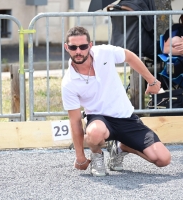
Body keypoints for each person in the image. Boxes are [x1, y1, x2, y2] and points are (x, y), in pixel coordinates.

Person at [61, 26, 171, 177]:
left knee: (163, 159)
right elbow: (75, 121)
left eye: (83, 46)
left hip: (126, 117)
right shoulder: (68, 82)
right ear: (66, 47)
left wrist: (152, 81)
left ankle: (121, 147)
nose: (78, 51)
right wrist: (80, 156)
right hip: (99, 120)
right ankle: (97, 155)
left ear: (90, 45)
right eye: (73, 47)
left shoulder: (104, 52)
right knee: (94, 133)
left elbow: (130, 56)